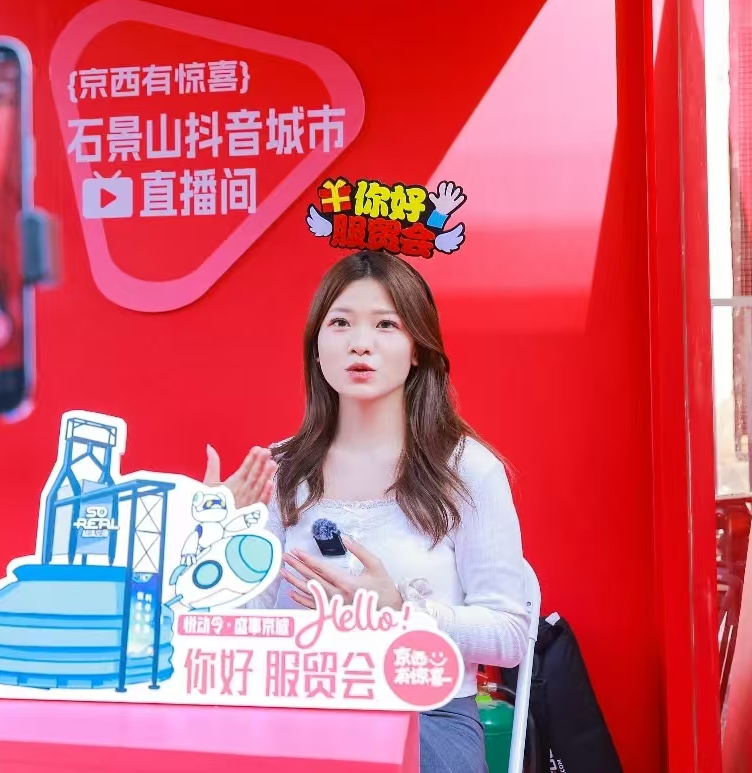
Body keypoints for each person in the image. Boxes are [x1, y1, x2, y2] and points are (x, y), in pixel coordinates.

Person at [204, 250, 527, 773]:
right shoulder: (282, 469)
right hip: (296, 713)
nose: (360, 343)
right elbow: (241, 626)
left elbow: (509, 634)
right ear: (317, 348)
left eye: (385, 324)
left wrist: (400, 612)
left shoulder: (467, 469)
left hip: (424, 715)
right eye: (340, 323)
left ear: (417, 348)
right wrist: (218, 544)